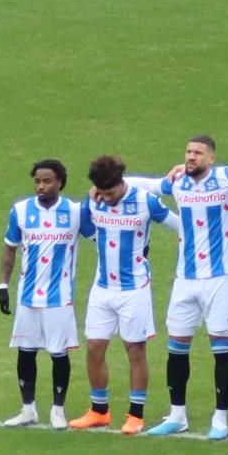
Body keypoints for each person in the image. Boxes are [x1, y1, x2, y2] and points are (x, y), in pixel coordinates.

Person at [148, 137, 228, 438]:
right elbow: (146, 186)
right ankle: (177, 416)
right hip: (184, 279)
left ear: (211, 158)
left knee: (221, 348)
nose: (191, 156)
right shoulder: (178, 182)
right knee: (176, 348)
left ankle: (220, 419)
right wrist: (106, 184)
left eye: (198, 153)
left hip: (219, 278)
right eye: (188, 152)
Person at [68, 154, 168, 430]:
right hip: (102, 288)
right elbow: (86, 223)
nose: (107, 199)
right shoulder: (95, 198)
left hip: (134, 289)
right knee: (94, 347)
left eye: (111, 193)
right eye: (102, 193)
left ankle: (135, 415)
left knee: (134, 349)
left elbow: (182, 226)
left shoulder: (146, 201)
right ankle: (99, 410)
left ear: (121, 183)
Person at [0, 157, 90, 426]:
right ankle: (28, 409)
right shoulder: (21, 211)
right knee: (25, 352)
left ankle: (58, 411)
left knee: (58, 353)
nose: (41, 186)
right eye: (37, 181)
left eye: (47, 181)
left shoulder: (76, 212)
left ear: (60, 182)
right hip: (27, 296)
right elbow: (10, 249)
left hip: (59, 297)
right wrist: (3, 285)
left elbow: (102, 238)